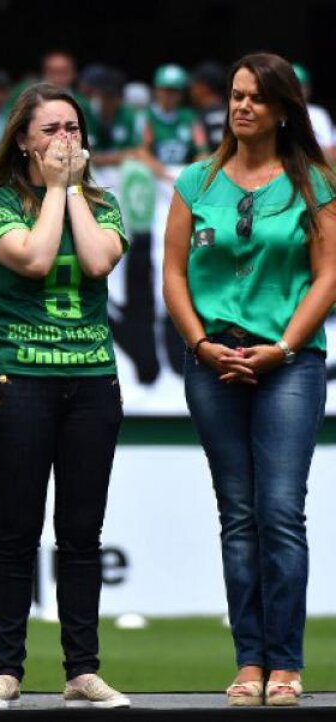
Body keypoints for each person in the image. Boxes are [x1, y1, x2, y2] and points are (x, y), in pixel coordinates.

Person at [163, 53, 336, 708]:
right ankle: (249, 662)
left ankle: (286, 664)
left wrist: (285, 346)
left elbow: (329, 275)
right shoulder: (194, 181)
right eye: (236, 95)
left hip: (288, 361)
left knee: (280, 513)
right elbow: (173, 274)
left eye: (256, 98)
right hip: (213, 361)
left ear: (283, 109)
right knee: (238, 516)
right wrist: (201, 344)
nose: (241, 106)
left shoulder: (315, 181)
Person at [0, 83, 130, 710]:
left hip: (92, 380)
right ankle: (7, 669)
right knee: (17, 530)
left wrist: (72, 192)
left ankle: (81, 670)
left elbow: (96, 262)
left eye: (73, 128)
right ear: (24, 141)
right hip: (21, 379)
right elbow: (34, 259)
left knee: (82, 534)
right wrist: (58, 191)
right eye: (51, 130)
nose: (65, 140)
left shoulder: (106, 203)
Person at [138, 64, 206, 179]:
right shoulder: (147, 117)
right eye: (166, 90)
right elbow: (142, 151)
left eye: (175, 91)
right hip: (156, 176)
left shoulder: (189, 117)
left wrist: (194, 171)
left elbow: (202, 149)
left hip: (184, 174)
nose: (169, 95)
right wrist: (158, 169)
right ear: (157, 90)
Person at [293, 64, 335, 164]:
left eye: (301, 86)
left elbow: (330, 152)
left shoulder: (319, 114)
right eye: (294, 85)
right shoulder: (275, 113)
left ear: (308, 88)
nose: (298, 90)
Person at [191, 61, 229, 153]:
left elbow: (201, 151)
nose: (191, 89)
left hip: (209, 164)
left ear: (204, 87)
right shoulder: (232, 112)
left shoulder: (198, 117)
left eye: (195, 84)